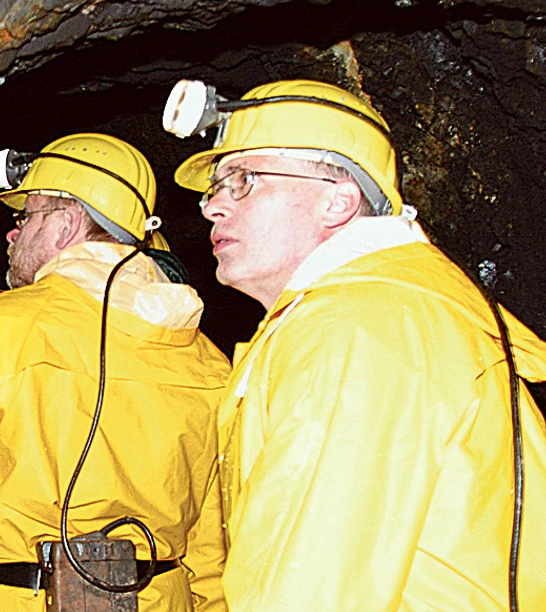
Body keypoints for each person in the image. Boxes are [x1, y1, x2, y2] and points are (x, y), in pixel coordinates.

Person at [164, 78, 546, 610]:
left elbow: (310, 591)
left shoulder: (358, 330)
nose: (211, 208)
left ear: (338, 202)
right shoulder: (382, 314)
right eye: (215, 188)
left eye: (245, 179)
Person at [0, 133, 230, 612]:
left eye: (26, 216)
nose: (12, 233)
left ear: (67, 224)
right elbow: (211, 551)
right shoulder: (206, 360)